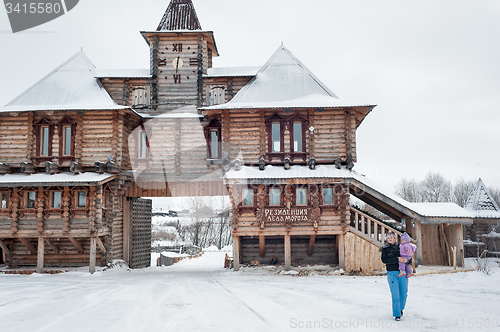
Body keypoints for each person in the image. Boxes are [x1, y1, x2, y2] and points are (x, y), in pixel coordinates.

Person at [381, 232, 409, 321]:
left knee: (404, 293)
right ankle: (397, 314)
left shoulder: (402, 246)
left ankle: (400, 309)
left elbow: (409, 258)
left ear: (395, 238)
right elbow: (384, 260)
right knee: (395, 294)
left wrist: (406, 260)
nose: (390, 239)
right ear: (386, 239)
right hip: (392, 273)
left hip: (403, 272)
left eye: (391, 237)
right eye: (388, 238)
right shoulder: (385, 249)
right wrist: (397, 259)